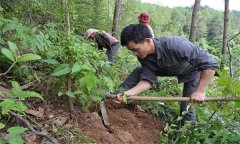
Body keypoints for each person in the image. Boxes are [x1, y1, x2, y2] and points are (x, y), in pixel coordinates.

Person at [115, 24, 219, 126]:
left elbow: (210, 63)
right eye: (131, 50)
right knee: (139, 69)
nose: (134, 54)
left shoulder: (176, 45)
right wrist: (128, 93)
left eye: (135, 49)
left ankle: (186, 133)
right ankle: (116, 97)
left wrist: (200, 91)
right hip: (168, 69)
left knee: (187, 107)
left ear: (147, 41)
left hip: (192, 72)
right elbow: (147, 80)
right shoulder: (143, 56)